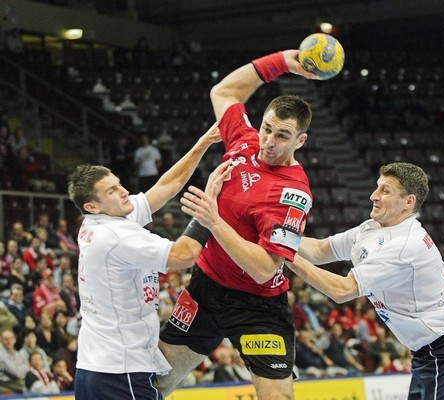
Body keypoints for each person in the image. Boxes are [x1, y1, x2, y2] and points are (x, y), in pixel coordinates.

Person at [158, 49, 317, 399]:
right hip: (205, 290)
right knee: (155, 383)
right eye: (267, 129)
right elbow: (224, 92)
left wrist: (214, 222)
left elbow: (264, 269)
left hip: (257, 306)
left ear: (300, 141)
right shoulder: (245, 142)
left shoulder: (293, 194)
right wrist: (282, 62)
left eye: (282, 136)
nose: (269, 143)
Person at [285, 162, 444, 399]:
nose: (374, 196)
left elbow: (342, 290)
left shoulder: (405, 245)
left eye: (385, 191)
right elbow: (320, 250)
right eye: (377, 187)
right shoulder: (371, 228)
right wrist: (277, 234)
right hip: (424, 357)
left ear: (408, 202)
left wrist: (284, 253)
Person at [69, 124, 227, 400]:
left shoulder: (104, 219)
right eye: (112, 190)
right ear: (92, 206)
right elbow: (184, 255)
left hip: (96, 367)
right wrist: (207, 209)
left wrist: (202, 143)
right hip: (122, 372)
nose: (123, 192)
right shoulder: (115, 236)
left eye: (119, 184)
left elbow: (166, 186)